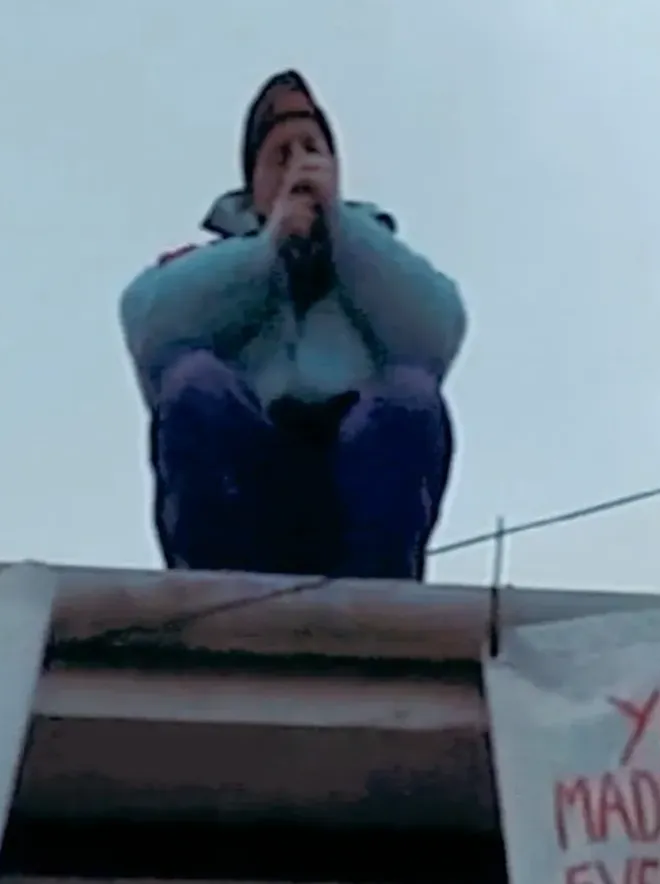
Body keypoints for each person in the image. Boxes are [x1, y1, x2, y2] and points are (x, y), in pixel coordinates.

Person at [119, 70, 467, 581]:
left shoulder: (378, 257)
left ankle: (374, 603)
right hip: (245, 479)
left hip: (355, 476)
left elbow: (438, 330)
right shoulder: (207, 266)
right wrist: (268, 251)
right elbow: (148, 323)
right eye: (280, 155)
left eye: (311, 149)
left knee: (410, 393)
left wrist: (343, 231)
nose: (298, 165)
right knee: (194, 383)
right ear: (253, 186)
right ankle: (214, 599)